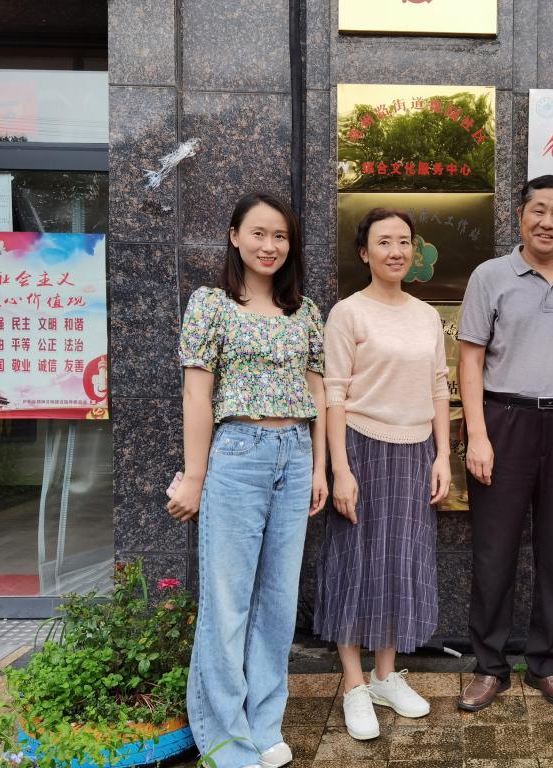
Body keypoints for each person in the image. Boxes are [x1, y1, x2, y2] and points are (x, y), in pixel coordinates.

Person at [168, 191, 328, 768]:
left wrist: (320, 468)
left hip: (295, 454)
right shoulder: (210, 304)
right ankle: (223, 739)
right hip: (237, 454)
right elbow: (197, 393)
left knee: (278, 602)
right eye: (258, 233)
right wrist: (195, 474)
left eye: (280, 236)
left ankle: (264, 725)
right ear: (235, 236)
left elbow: (317, 391)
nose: (269, 245)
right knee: (227, 601)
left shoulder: (305, 311)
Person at [456, 175, 553, 712]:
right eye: (538, 210)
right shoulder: (490, 276)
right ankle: (489, 666)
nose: (548, 221)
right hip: (504, 421)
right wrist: (477, 435)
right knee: (494, 552)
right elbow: (470, 358)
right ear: (519, 216)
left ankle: (547, 663)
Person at [315, 208, 451, 741]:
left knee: (400, 562)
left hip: (416, 450)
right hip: (361, 447)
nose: (396, 251)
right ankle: (353, 683)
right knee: (355, 562)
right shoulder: (348, 313)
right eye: (384, 242)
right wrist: (340, 469)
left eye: (404, 241)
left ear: (414, 250)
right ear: (364, 252)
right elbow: (334, 393)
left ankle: (385, 676)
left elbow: (439, 387)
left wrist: (443, 455)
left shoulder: (426, 315)